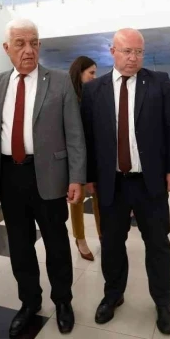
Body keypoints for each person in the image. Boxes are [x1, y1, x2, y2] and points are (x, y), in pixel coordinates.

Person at [80, 28, 170, 335]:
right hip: (111, 182)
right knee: (111, 243)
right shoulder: (94, 91)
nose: (133, 57)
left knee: (157, 243)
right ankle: (113, 295)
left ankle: (163, 302)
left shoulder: (159, 83)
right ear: (112, 51)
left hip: (149, 181)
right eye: (127, 51)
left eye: (139, 52)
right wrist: (88, 179)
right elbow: (88, 137)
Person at [0, 18, 85, 336]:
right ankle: (29, 302)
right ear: (6, 49)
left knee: (56, 242)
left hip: (51, 175)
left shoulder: (59, 81)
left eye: (34, 43)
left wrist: (76, 177)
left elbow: (74, 134)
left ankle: (63, 301)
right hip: (10, 175)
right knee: (19, 244)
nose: (28, 50)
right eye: (20, 44)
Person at [68, 56, 101, 261]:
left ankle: (102, 235)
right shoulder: (69, 97)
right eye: (91, 73)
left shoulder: (95, 96)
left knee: (100, 198)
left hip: (95, 156)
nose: (94, 77)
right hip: (75, 158)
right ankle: (80, 239)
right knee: (77, 200)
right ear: (79, 73)